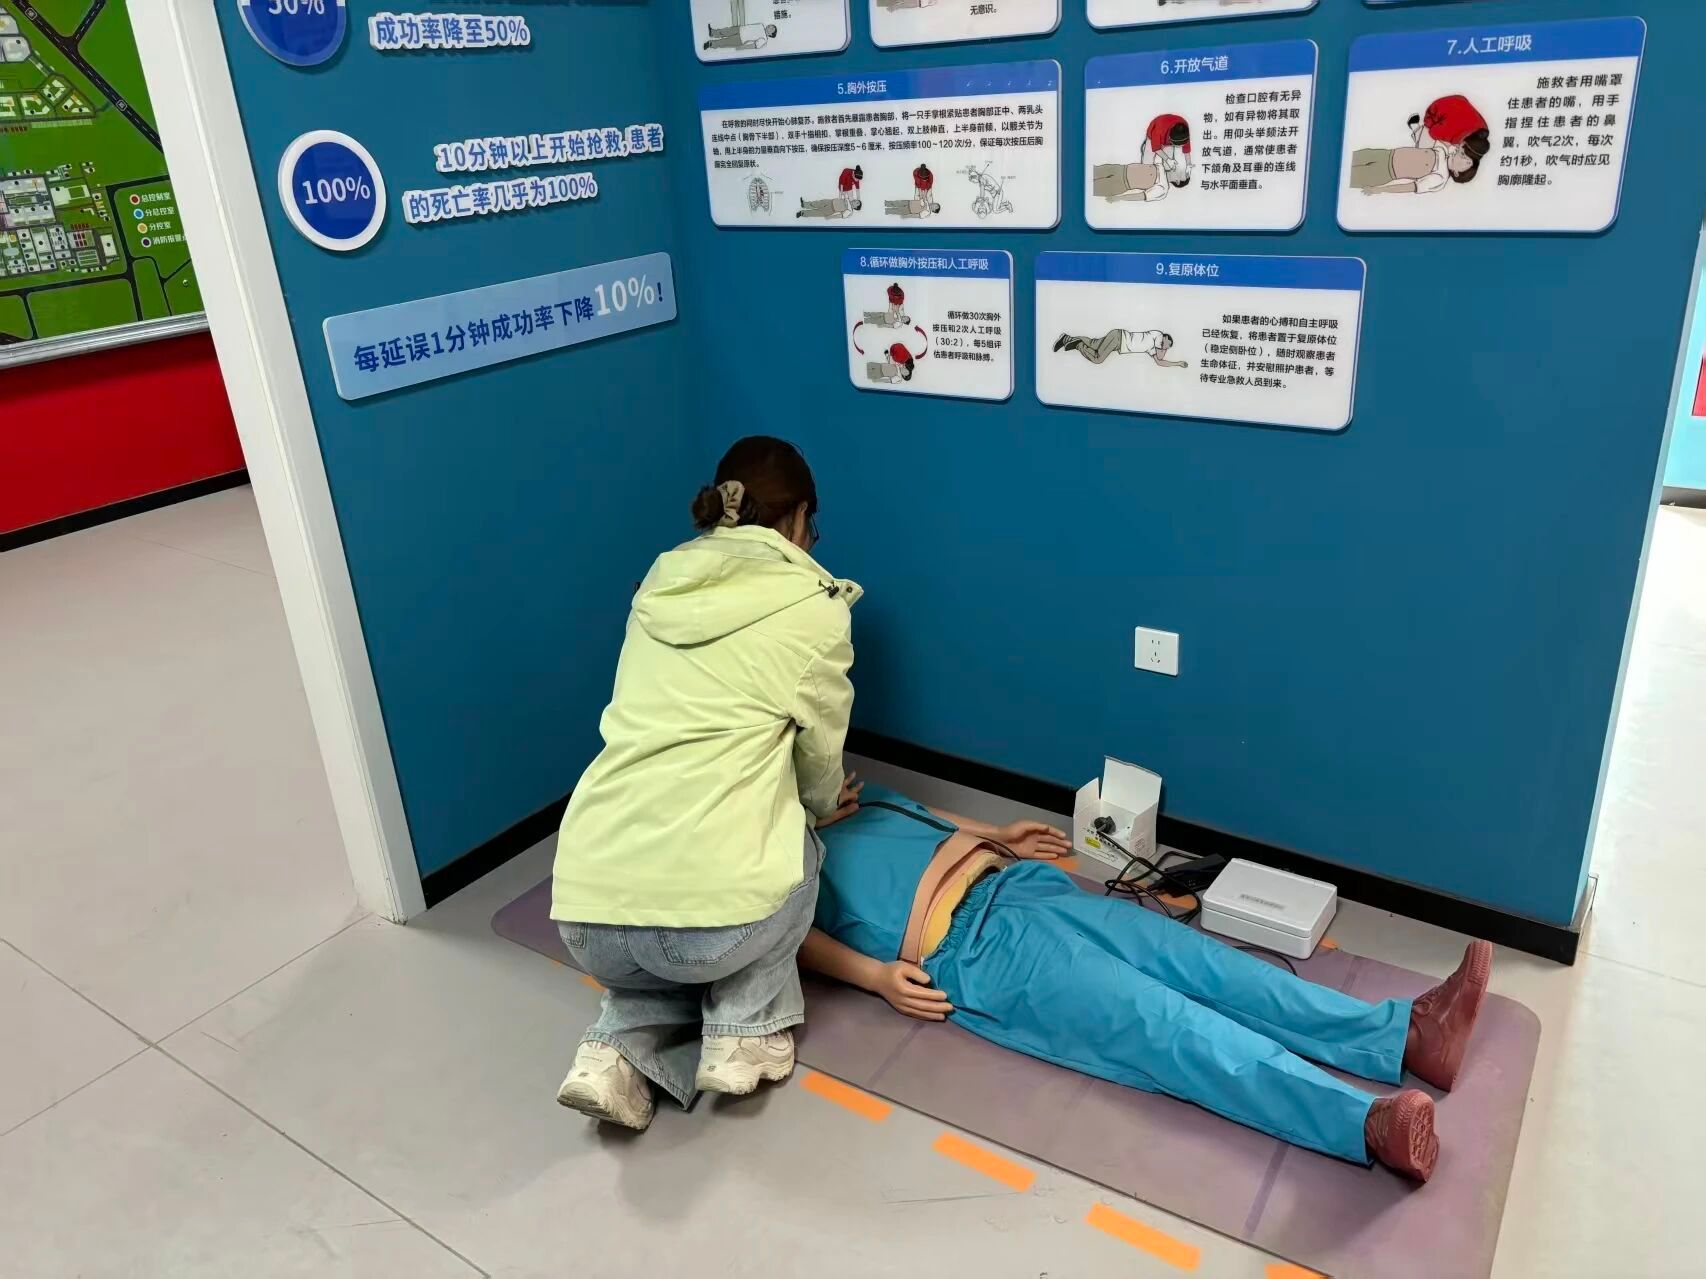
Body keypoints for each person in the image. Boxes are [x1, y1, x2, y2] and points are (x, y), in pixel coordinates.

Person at [800, 786, 1496, 1182]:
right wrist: (877, 978)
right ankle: (1363, 1122)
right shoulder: (774, 855)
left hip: (1018, 885)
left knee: (1204, 964)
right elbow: (786, 940)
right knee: (1163, 1023)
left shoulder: (849, 793)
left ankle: (1405, 1035)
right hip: (970, 952)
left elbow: (930, 818)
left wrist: (998, 833)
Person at [551, 437, 862, 1131]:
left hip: (584, 913)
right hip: (709, 933)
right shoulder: (814, 608)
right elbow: (818, 760)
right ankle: (743, 1029)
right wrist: (818, 807)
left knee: (653, 955)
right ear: (800, 517)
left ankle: (611, 1050)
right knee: (796, 846)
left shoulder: (659, 582)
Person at [1409, 94, 1489, 184]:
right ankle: (1415, 127)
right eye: (1462, 153)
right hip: (1435, 110)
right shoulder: (1454, 137)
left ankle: (1416, 128)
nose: (1467, 161)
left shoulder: (1483, 130)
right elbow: (1433, 132)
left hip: (1458, 100)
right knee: (1429, 144)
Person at [1349, 141, 1473, 196]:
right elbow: (1428, 137)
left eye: (1467, 164)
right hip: (1384, 154)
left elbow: (1409, 187)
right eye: (1467, 157)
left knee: (1349, 177)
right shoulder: (1443, 150)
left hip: (1385, 172)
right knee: (1348, 158)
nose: (1466, 159)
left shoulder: (1440, 177)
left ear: (1457, 173)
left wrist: (1379, 189)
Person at [1053, 328, 1188, 369]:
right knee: (1098, 358)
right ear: (1165, 338)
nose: (1165, 348)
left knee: (1094, 344)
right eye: (1166, 345)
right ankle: (1078, 345)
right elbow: (1160, 356)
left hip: (1117, 339)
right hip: (1119, 338)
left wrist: (1177, 363)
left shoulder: (1151, 348)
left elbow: (1159, 362)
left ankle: (1066, 339)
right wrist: (1164, 348)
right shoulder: (1158, 335)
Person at [1142, 114, 1192, 188]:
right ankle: (1144, 176)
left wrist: (1188, 165)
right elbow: (1156, 148)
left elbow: (1187, 150)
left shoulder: (1184, 131)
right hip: (1154, 131)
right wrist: (1168, 159)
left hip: (1169, 136)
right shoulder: (1159, 129)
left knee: (1168, 165)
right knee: (1147, 161)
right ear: (1170, 139)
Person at [1093, 160, 1172, 203]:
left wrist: (1118, 198)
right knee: (1091, 171)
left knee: (1093, 188)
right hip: (1119, 168)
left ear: (1177, 181)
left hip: (1121, 184)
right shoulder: (1161, 164)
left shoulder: (1163, 188)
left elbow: (1141, 196)